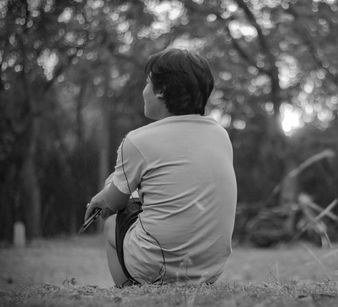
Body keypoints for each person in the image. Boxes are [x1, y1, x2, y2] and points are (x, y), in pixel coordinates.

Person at [84, 48, 237, 287]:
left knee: (112, 222)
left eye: (147, 83)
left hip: (155, 265)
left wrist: (99, 200)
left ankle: (128, 291)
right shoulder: (220, 134)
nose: (143, 91)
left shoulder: (138, 140)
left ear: (161, 90)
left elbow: (112, 203)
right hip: (210, 268)